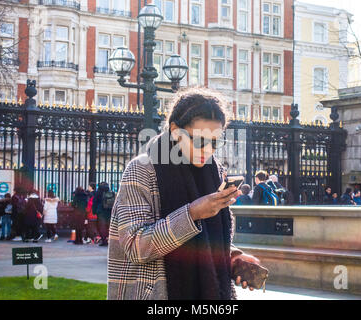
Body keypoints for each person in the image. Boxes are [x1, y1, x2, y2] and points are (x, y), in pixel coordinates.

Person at [108, 87, 267, 300]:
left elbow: (206, 241)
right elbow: (135, 247)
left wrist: (232, 258)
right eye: (200, 140)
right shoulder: (142, 169)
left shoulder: (215, 172)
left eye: (215, 142)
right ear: (175, 130)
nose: (208, 150)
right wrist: (192, 214)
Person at [93, 182, 114, 246]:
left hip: (101, 211)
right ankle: (110, 240)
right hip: (109, 211)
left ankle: (104, 240)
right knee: (109, 226)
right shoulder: (111, 192)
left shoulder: (98, 193)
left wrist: (94, 211)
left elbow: (95, 202)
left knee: (102, 226)